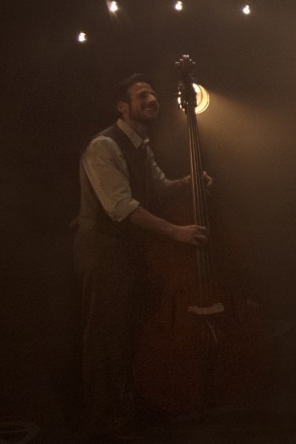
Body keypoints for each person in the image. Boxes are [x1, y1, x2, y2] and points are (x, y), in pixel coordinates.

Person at [73, 74, 208, 442]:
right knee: (104, 338)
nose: (152, 99)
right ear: (122, 106)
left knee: (130, 333)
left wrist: (190, 180)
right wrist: (176, 232)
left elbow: (159, 190)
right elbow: (121, 207)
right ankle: (103, 424)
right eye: (141, 95)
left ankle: (130, 410)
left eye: (152, 93)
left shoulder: (141, 146)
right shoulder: (104, 147)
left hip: (129, 252)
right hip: (103, 251)